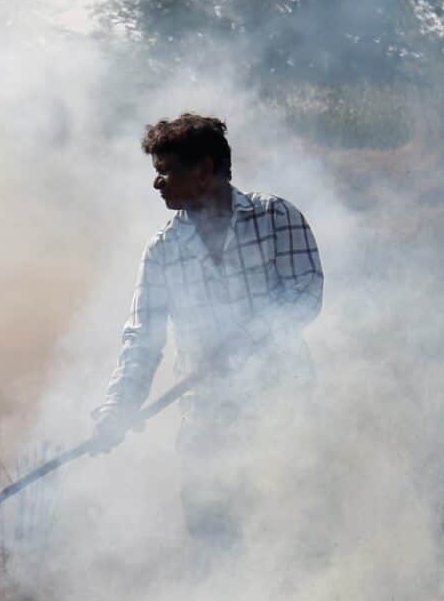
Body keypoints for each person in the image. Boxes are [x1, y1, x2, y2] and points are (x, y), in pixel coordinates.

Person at [92, 113, 324, 546]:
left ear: (203, 171)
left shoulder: (276, 217)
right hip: (208, 416)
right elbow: (142, 339)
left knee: (294, 526)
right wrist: (117, 409)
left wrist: (244, 342)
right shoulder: (163, 251)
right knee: (213, 533)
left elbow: (306, 293)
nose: (157, 184)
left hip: (285, 405)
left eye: (165, 172)